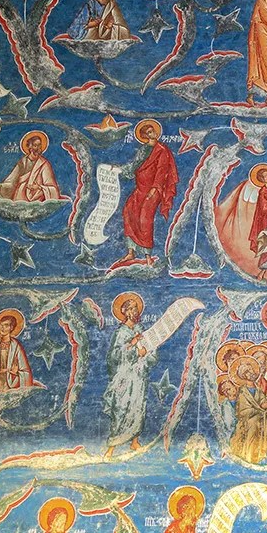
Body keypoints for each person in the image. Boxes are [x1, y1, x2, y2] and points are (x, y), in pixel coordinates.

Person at [118, 118, 177, 267]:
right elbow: (134, 165)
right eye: (150, 132)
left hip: (153, 190)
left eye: (153, 131)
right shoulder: (143, 149)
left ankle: (148, 256)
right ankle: (131, 252)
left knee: (145, 219)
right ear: (145, 135)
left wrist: (154, 188)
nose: (153, 133)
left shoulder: (162, 150)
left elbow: (162, 171)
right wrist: (119, 170)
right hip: (140, 188)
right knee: (128, 211)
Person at [103, 293, 154, 457]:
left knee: (138, 407)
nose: (134, 311)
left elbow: (151, 351)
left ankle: (134, 441)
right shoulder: (121, 332)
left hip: (139, 376)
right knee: (121, 408)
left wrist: (147, 352)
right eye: (131, 308)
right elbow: (114, 356)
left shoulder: (141, 330)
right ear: (124, 311)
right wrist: (133, 347)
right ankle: (112, 447)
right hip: (123, 377)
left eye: (136, 308)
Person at [0, 131, 61, 202]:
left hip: (37, 198)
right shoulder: (22, 162)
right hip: (19, 198)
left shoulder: (44, 164)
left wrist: (39, 187)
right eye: (35, 145)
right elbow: (11, 182)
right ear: (30, 147)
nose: (38, 148)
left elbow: (53, 189)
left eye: (39, 145)